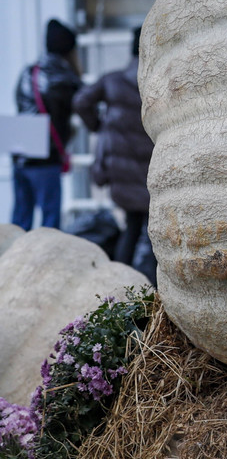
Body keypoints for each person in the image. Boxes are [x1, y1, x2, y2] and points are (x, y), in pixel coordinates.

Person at [73, 26, 156, 283]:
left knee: (131, 229)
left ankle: (118, 286)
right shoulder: (156, 86)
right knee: (156, 233)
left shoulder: (113, 81)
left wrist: (97, 125)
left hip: (122, 174)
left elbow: (81, 101)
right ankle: (154, 292)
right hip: (151, 172)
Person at [11, 19, 83, 230]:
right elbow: (86, 102)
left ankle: (11, 261)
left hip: (20, 152)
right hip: (45, 156)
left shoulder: (28, 72)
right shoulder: (63, 77)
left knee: (19, 219)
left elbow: (20, 104)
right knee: (49, 222)